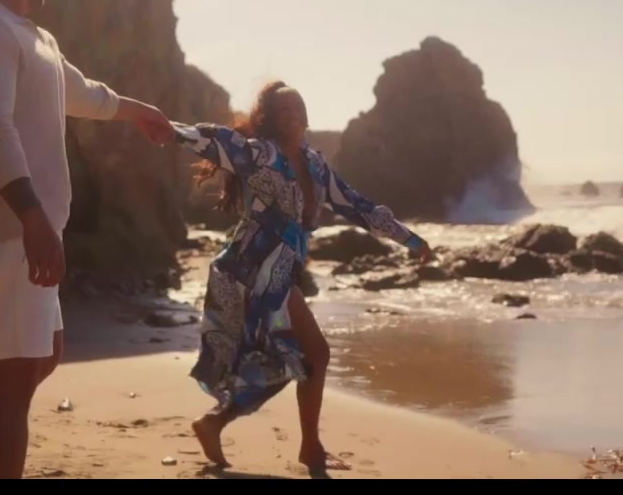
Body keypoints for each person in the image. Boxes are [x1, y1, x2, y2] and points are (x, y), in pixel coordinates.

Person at [0, 0, 173, 479]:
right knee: (12, 383)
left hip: (20, 232)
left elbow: (77, 90)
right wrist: (33, 218)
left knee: (40, 357)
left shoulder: (30, 36)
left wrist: (137, 112)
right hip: (3, 233)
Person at [172, 81, 434, 474]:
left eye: (297, 107)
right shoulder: (261, 154)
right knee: (313, 354)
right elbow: (217, 141)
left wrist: (409, 239)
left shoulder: (315, 165)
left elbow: (357, 205)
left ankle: (216, 424)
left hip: (280, 273)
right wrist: (166, 128)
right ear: (271, 119)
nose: (292, 115)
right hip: (250, 267)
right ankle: (308, 447)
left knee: (290, 360)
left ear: (307, 113)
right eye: (283, 110)